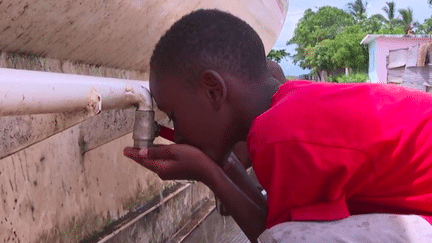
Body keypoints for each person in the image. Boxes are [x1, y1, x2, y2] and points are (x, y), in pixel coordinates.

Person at [124, 9, 432, 242]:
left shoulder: (280, 134)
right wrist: (225, 167)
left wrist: (210, 173)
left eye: (174, 115)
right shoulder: (291, 105)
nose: (177, 134)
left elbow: (276, 237)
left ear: (214, 90)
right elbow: (278, 222)